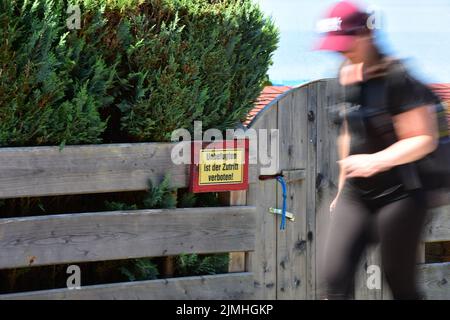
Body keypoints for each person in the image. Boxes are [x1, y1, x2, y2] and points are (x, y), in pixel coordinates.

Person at [315, 1, 440, 299]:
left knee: (398, 281)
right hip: (357, 194)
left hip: (402, 194)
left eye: (346, 43)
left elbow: (424, 138)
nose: (341, 51)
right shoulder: (347, 76)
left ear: (366, 35)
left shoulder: (398, 78)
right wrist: (342, 187)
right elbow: (349, 131)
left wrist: (376, 161)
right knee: (333, 278)